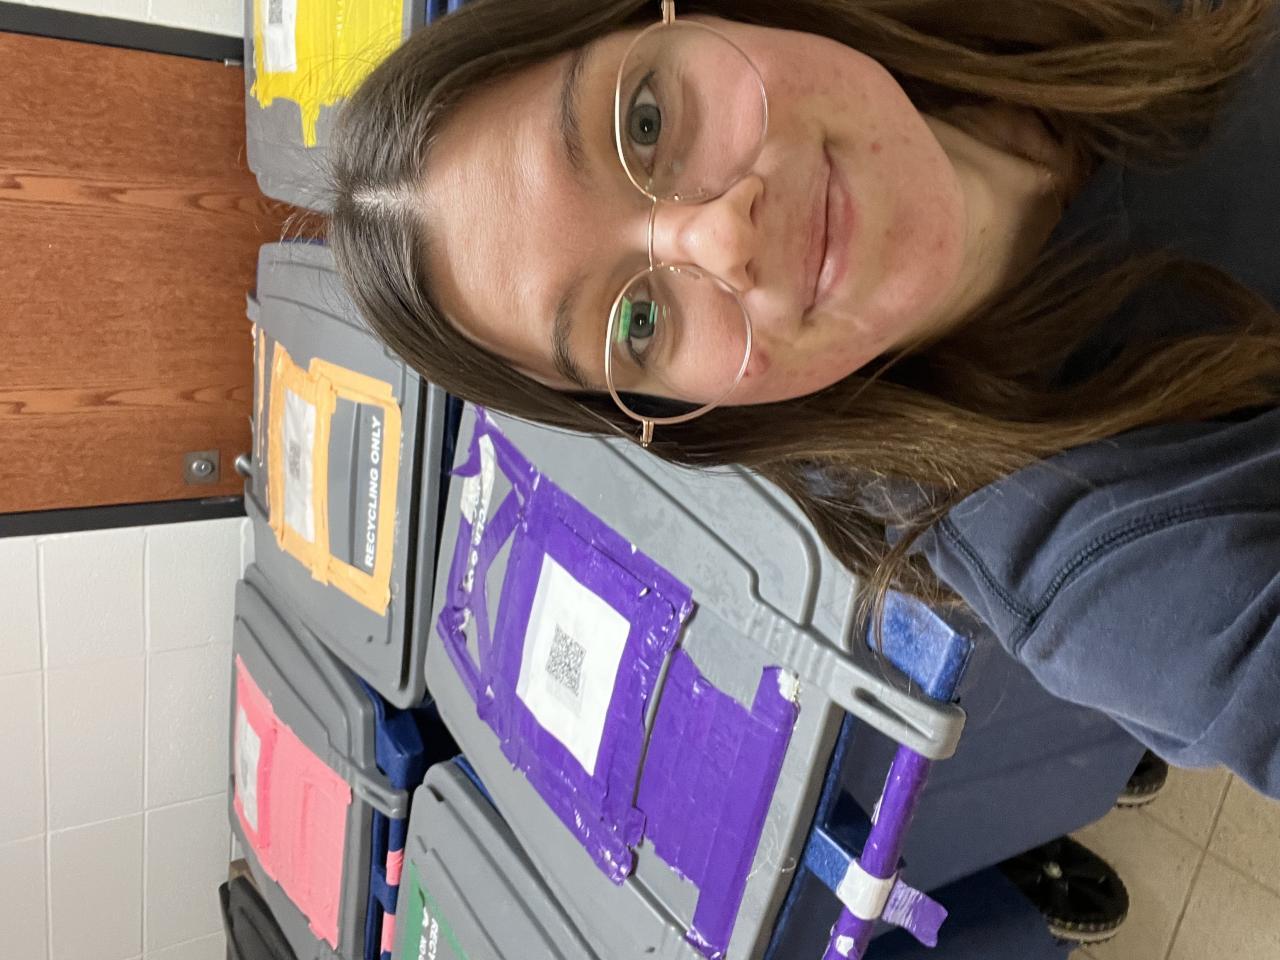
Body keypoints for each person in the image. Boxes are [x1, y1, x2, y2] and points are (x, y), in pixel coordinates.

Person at [326, 0, 1280, 797]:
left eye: (645, 124)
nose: (720, 240)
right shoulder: (1107, 569)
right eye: (640, 323)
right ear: (688, 410)